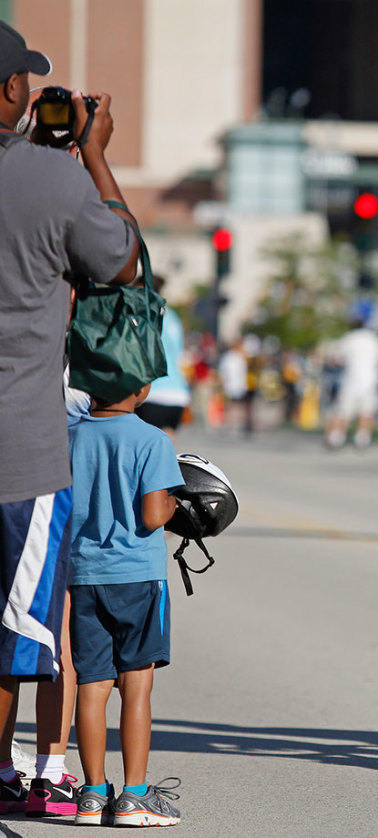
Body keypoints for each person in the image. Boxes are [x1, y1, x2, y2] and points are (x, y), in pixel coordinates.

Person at [0, 21, 140, 814]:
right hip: (21, 453)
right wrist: (92, 153)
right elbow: (121, 260)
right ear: (12, 90)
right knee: (18, 631)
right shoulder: (52, 178)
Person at [68, 382, 184, 826]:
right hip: (137, 576)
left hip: (83, 575)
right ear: (142, 387)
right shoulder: (153, 439)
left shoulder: (71, 435)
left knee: (93, 684)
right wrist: (176, 501)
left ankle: (93, 794)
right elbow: (154, 515)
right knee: (136, 683)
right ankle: (134, 795)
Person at [135, 276, 190, 440]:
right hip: (178, 393)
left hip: (154, 392)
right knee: (164, 444)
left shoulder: (144, 314)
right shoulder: (172, 316)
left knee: (145, 445)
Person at [323, 316, 378, 450]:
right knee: (366, 412)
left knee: (343, 412)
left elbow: (338, 358)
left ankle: (336, 437)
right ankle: (362, 438)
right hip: (371, 382)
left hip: (350, 381)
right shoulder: (375, 339)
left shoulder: (349, 338)